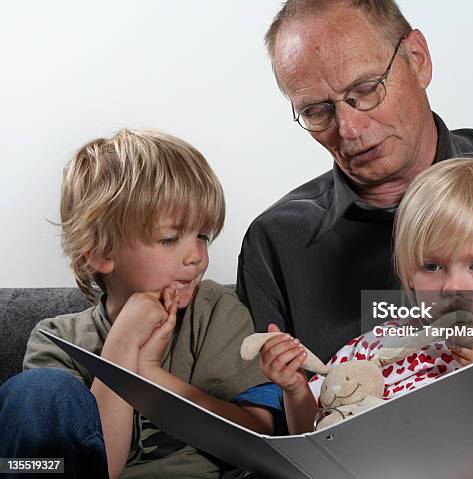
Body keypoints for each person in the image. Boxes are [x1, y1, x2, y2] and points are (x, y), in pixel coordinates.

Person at [236, 1, 473, 478]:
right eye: (316, 111)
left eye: (366, 89)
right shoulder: (276, 245)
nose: (349, 130)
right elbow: (282, 437)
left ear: (418, 57)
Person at [0, 129, 281, 479]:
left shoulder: (214, 313)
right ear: (100, 252)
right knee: (37, 392)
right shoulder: (56, 339)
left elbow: (261, 438)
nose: (196, 256)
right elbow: (104, 468)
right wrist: (123, 346)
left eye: (203, 236)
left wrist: (150, 373)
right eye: (169, 238)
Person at [258, 158, 473, 433]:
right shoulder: (373, 348)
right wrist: (297, 391)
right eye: (432, 266)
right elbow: (314, 441)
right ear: (408, 276)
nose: (454, 285)